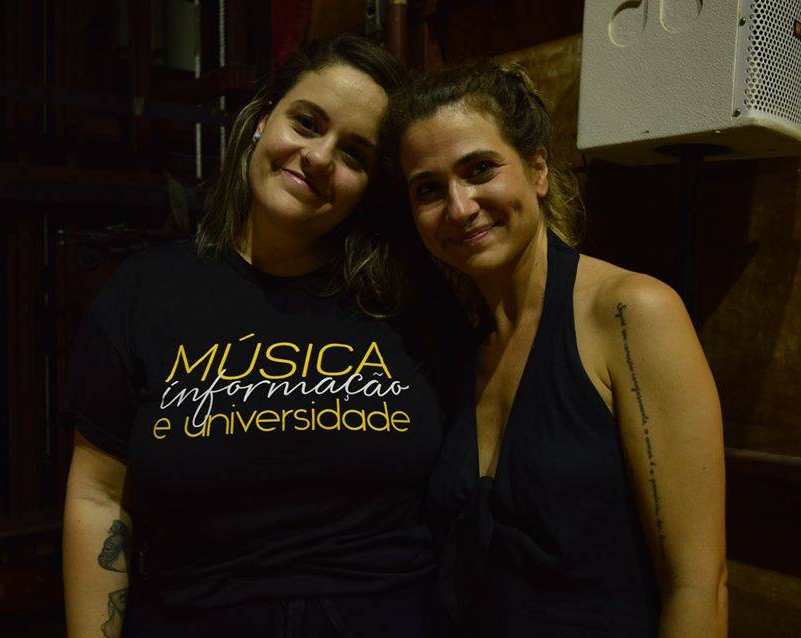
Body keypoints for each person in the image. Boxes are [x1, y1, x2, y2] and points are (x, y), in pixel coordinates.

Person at [61, 34, 458, 637]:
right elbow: (97, 499)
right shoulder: (144, 294)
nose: (319, 157)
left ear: (369, 189)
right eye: (307, 123)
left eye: (354, 154)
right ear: (262, 119)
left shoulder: (407, 303)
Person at [381, 61, 728, 637]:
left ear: (538, 168)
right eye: (429, 189)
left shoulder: (630, 312)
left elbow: (697, 587)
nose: (459, 206)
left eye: (480, 169)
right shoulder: (459, 346)